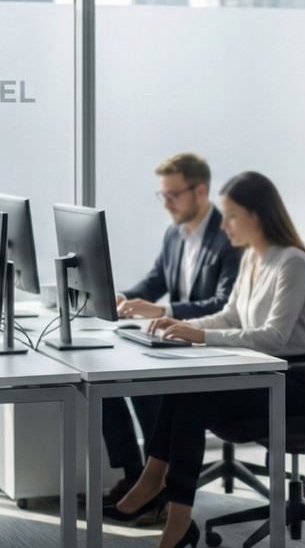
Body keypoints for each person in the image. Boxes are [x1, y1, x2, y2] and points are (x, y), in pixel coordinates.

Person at [105, 171, 305, 548]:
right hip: (263, 375)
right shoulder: (253, 257)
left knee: (193, 402)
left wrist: (200, 338)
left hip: (297, 383)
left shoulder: (290, 261)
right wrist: (182, 328)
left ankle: (169, 511)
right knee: (183, 390)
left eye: (232, 216)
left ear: (258, 215)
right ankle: (158, 492)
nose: (223, 226)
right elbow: (231, 315)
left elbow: (274, 337)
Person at [97, 153, 241, 519]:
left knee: (146, 386)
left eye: (173, 195)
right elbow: (156, 281)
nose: (166, 204)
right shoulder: (175, 233)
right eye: (161, 195)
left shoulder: (231, 234)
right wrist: (121, 299)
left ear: (200, 191)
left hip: (214, 345)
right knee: (103, 381)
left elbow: (224, 304)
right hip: (179, 341)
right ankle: (135, 476)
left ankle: (157, 491)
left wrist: (164, 311)